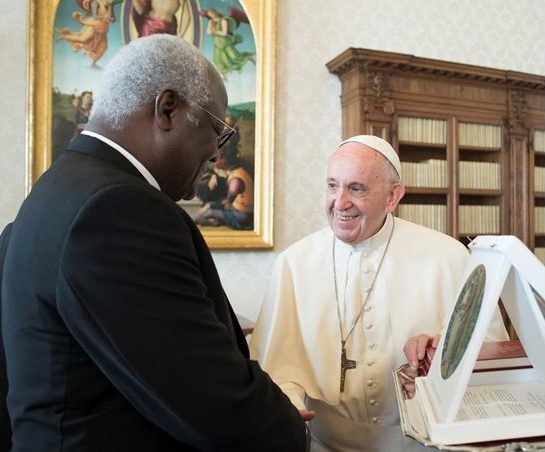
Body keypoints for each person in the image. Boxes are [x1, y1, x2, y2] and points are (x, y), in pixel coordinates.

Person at [0, 34, 307, 451]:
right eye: (217, 132)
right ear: (168, 109)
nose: (215, 155)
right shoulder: (118, 210)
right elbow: (216, 406)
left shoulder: (54, 191)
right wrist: (292, 429)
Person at [249, 135, 508, 451]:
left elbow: (493, 352)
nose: (340, 202)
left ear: (392, 196)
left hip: (423, 446)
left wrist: (440, 355)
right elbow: (276, 367)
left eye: (356, 188)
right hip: (324, 446)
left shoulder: (449, 256)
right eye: (332, 186)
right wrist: (288, 412)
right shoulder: (294, 263)